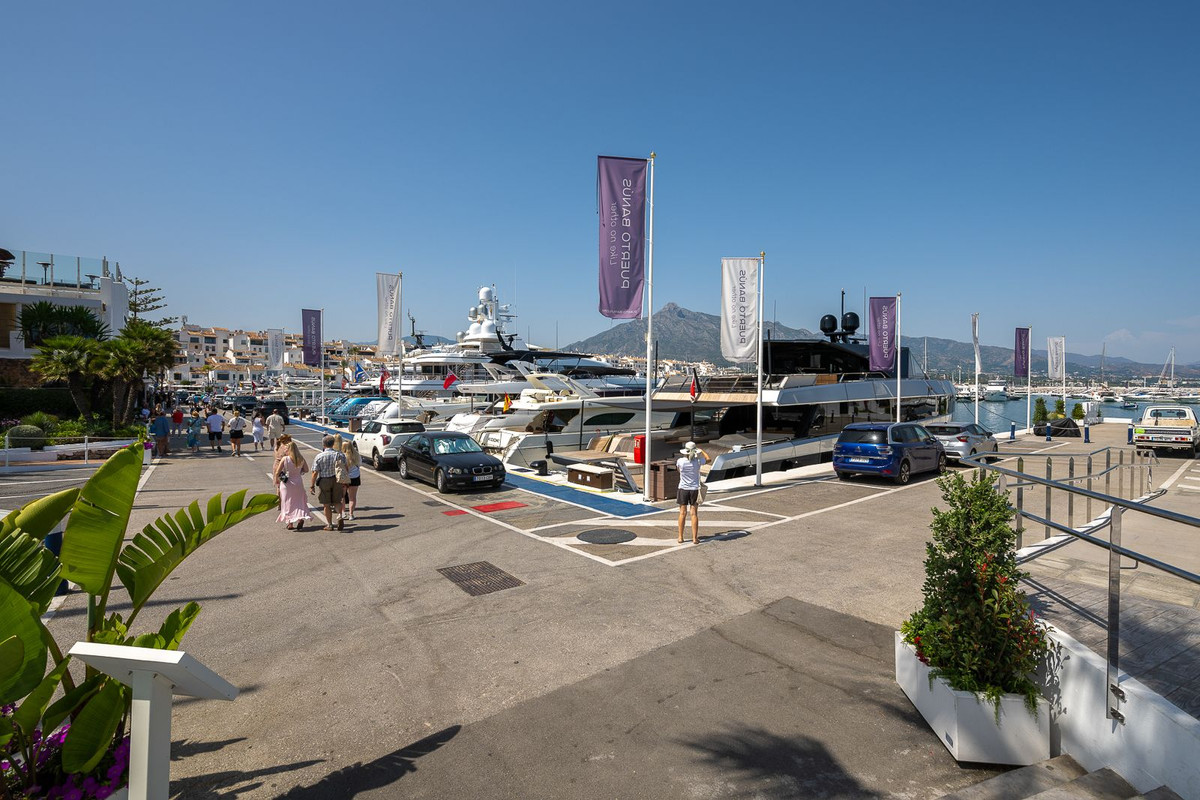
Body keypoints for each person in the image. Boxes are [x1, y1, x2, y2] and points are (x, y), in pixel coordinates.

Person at [310, 435, 348, 531]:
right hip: (337, 480)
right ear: (333, 443)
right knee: (337, 501)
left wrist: (312, 485)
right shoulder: (340, 455)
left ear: (323, 444)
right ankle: (340, 516)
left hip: (324, 480)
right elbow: (345, 468)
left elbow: (315, 472)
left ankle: (330, 525)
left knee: (326, 504)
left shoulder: (319, 456)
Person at [676, 441, 710, 545]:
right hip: (694, 489)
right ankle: (695, 538)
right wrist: (701, 451)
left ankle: (680, 537)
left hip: (683, 488)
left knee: (682, 513)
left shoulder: (680, 461)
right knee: (694, 513)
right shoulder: (698, 461)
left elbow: (678, 470)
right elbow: (709, 459)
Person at [273, 439, 311, 530]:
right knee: (299, 502)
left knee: (287, 502)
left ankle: (290, 523)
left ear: (289, 449)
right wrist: (299, 471)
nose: (285, 450)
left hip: (287, 483)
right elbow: (306, 470)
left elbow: (277, 471)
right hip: (298, 482)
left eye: (286, 448)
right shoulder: (301, 458)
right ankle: (300, 518)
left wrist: (277, 479)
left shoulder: (285, 459)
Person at [339, 438, 362, 521]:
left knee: (342, 497)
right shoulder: (356, 455)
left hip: (344, 478)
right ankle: (351, 514)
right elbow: (360, 465)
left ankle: (342, 513)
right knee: (352, 497)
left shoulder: (341, 456)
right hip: (355, 477)